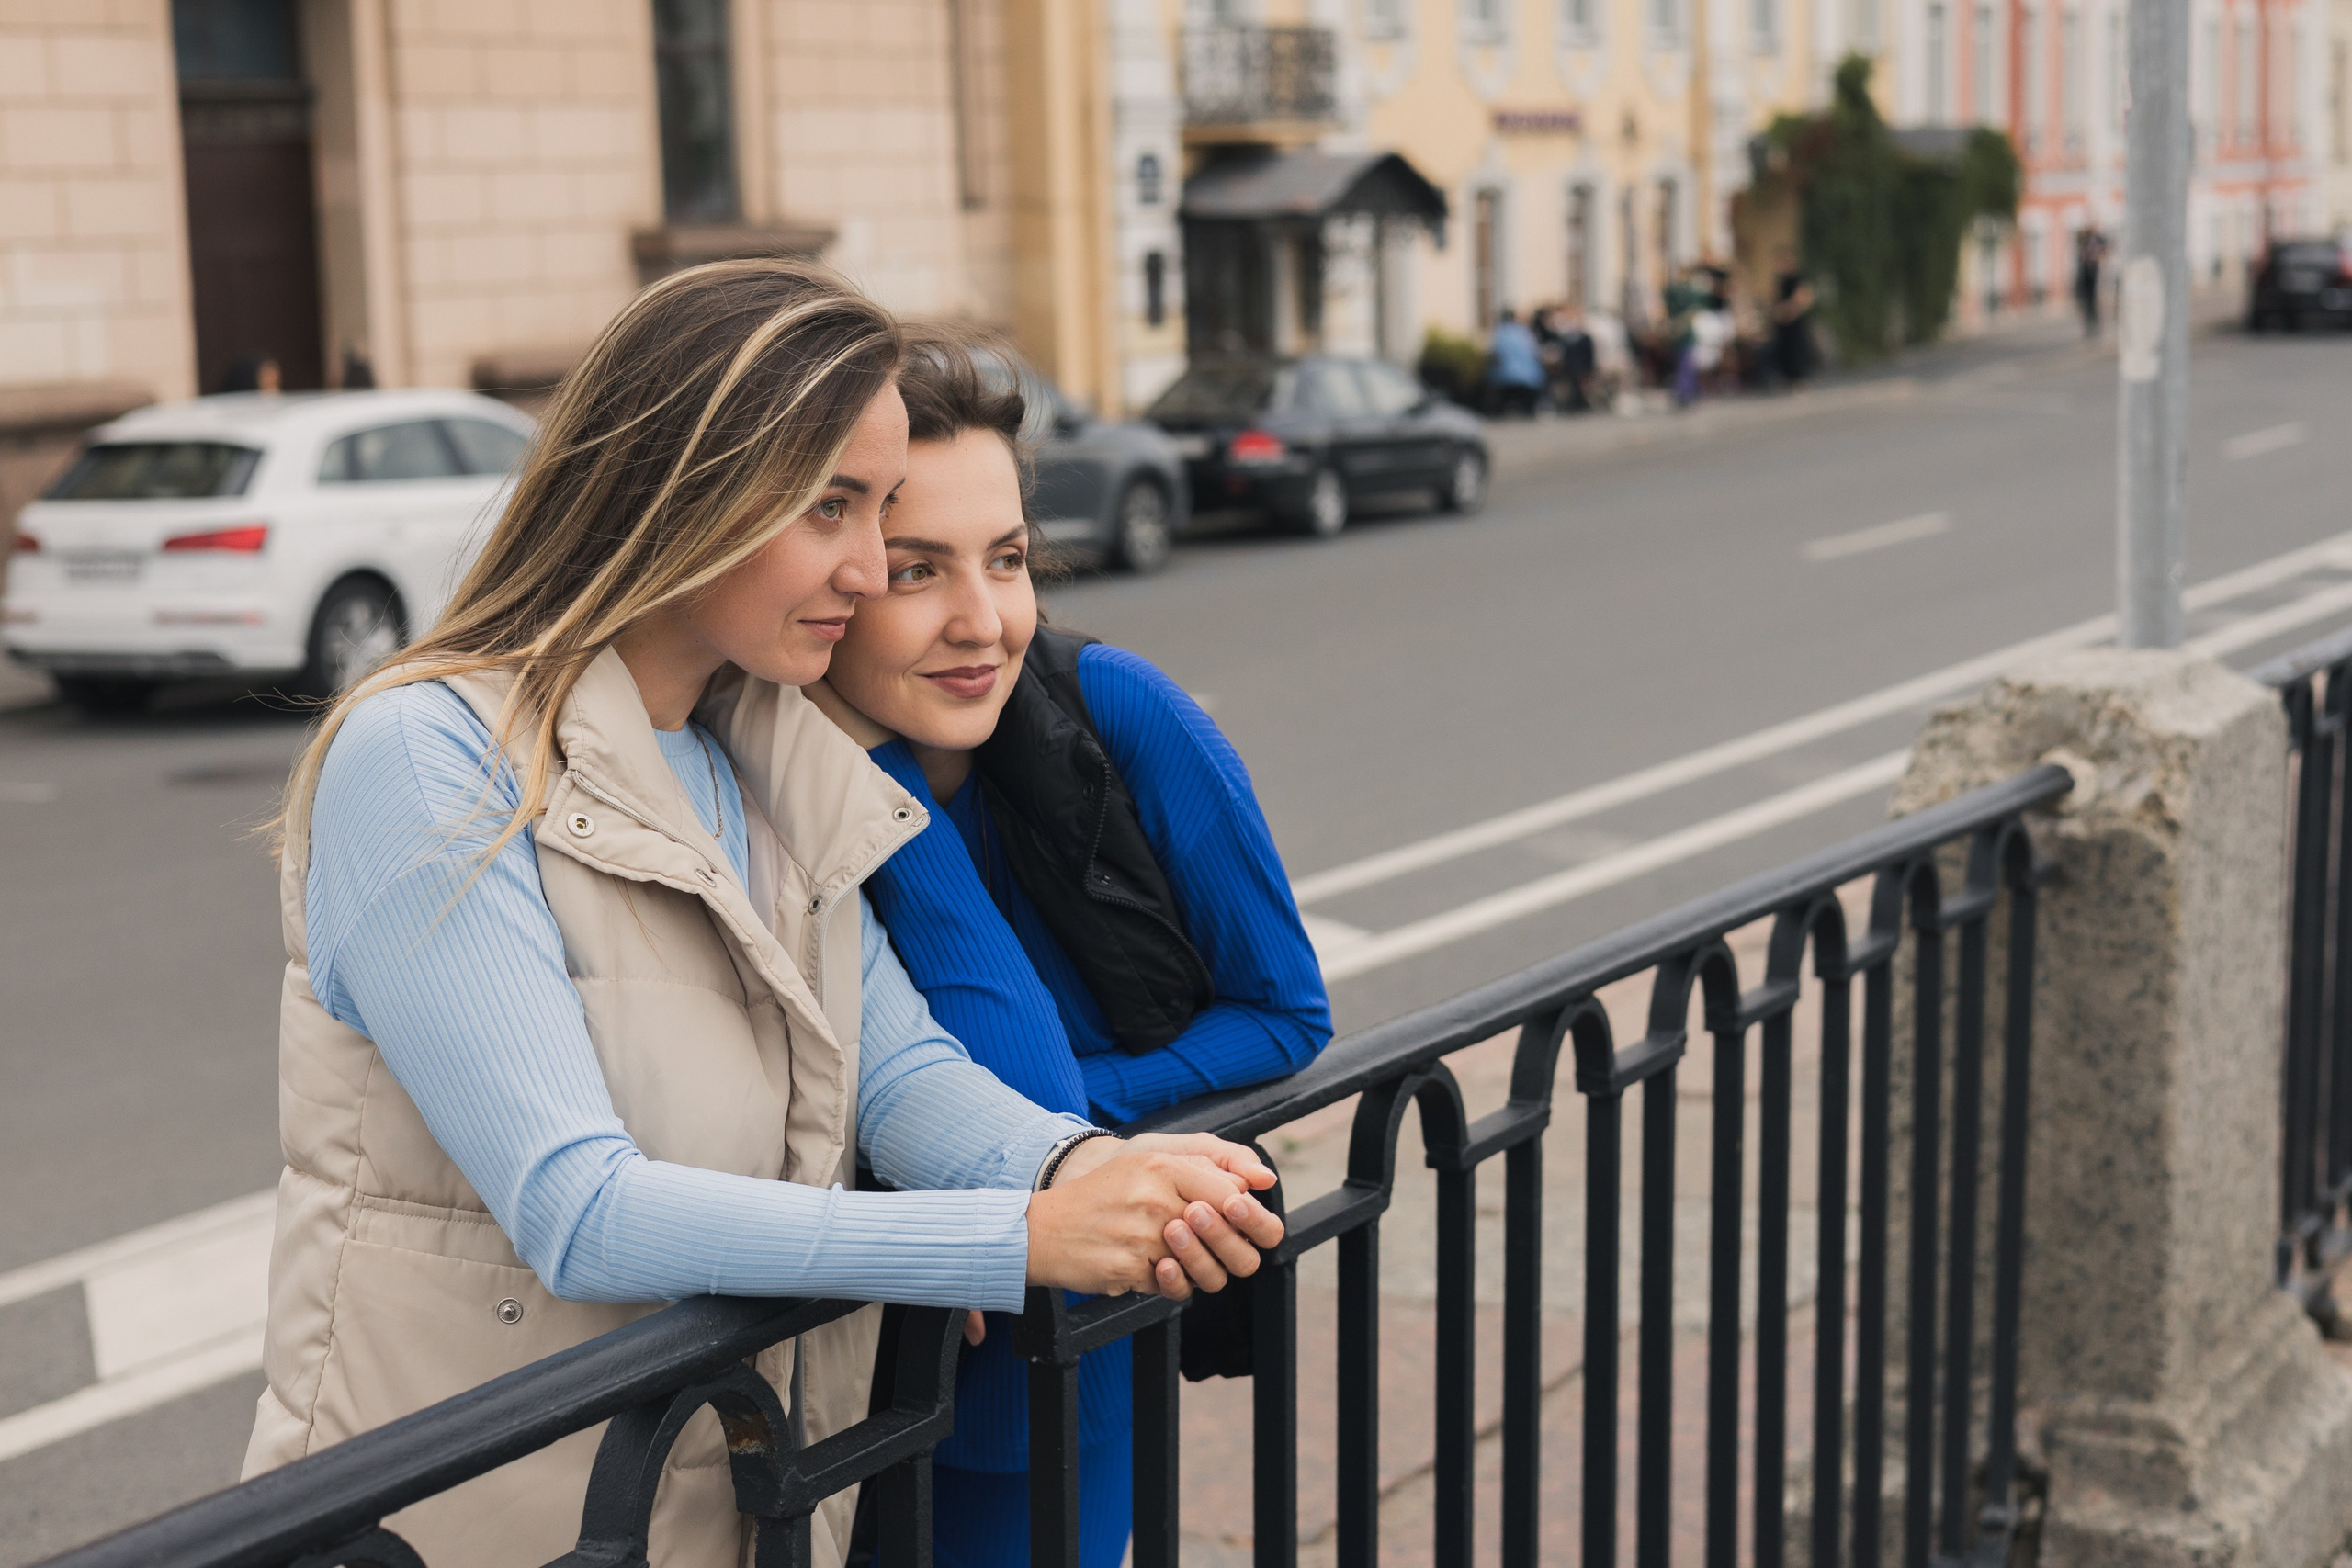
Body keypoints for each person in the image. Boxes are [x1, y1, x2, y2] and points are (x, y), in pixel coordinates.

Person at [248, 260, 1282, 1568]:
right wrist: (1011, 1234)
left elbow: (896, 1070)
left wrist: (1078, 1166)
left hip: (712, 1496)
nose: (864, 568)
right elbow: (576, 1206)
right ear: (682, 486)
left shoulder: (771, 750)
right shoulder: (427, 751)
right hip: (460, 1515)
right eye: (832, 507)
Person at [808, 332, 1331, 1568]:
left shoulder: (1122, 712)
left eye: (1006, 559)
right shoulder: (774, 765)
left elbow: (1284, 1013)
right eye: (916, 568)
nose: (979, 620)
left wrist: (1060, 1140)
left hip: (1060, 1344)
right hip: (839, 1351)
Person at [1484, 306, 1546, 416]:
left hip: (1504, 376)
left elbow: (1494, 354)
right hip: (1529, 376)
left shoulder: (1499, 333)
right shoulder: (1524, 332)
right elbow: (1535, 352)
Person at [1770, 247, 1817, 389]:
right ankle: (1787, 378)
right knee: (1783, 350)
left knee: (1796, 350)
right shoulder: (1780, 279)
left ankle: (1799, 379)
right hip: (1782, 322)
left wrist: (1787, 310)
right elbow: (1773, 297)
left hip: (1795, 321)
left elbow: (1803, 297)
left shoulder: (1799, 277)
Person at [2074, 226, 2109, 339]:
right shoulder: (2085, 243)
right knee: (2087, 304)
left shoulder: (2098, 241)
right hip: (2086, 277)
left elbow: (2104, 251)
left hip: (2093, 275)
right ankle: (2088, 329)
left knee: (2093, 304)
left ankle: (2095, 329)